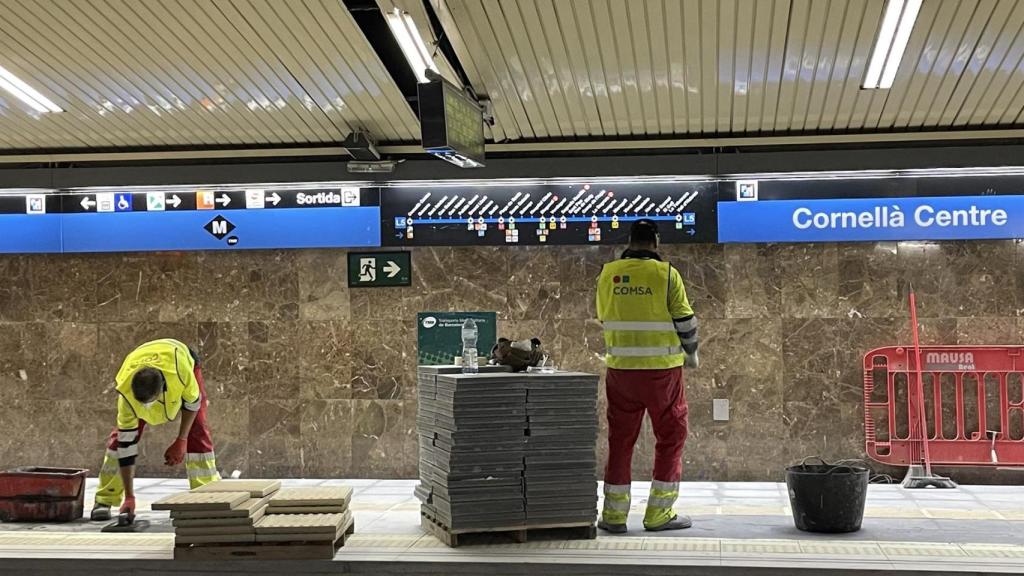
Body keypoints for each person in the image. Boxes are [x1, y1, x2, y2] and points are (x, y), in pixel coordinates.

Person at [595, 219, 699, 533]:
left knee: (620, 440)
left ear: (629, 241)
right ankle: (658, 515)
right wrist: (691, 352)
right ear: (655, 242)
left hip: (621, 372)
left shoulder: (608, 274)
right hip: (661, 372)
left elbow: (603, 315)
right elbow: (685, 319)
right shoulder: (666, 274)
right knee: (670, 437)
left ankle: (613, 517)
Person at [90, 338, 221, 521]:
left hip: (180, 357)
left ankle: (207, 496)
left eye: (150, 403)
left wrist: (181, 440)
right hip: (143, 358)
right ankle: (106, 498)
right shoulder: (126, 391)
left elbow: (192, 405)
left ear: (162, 391)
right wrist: (129, 497)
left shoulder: (182, 375)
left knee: (197, 429)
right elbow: (126, 444)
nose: (147, 409)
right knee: (119, 440)